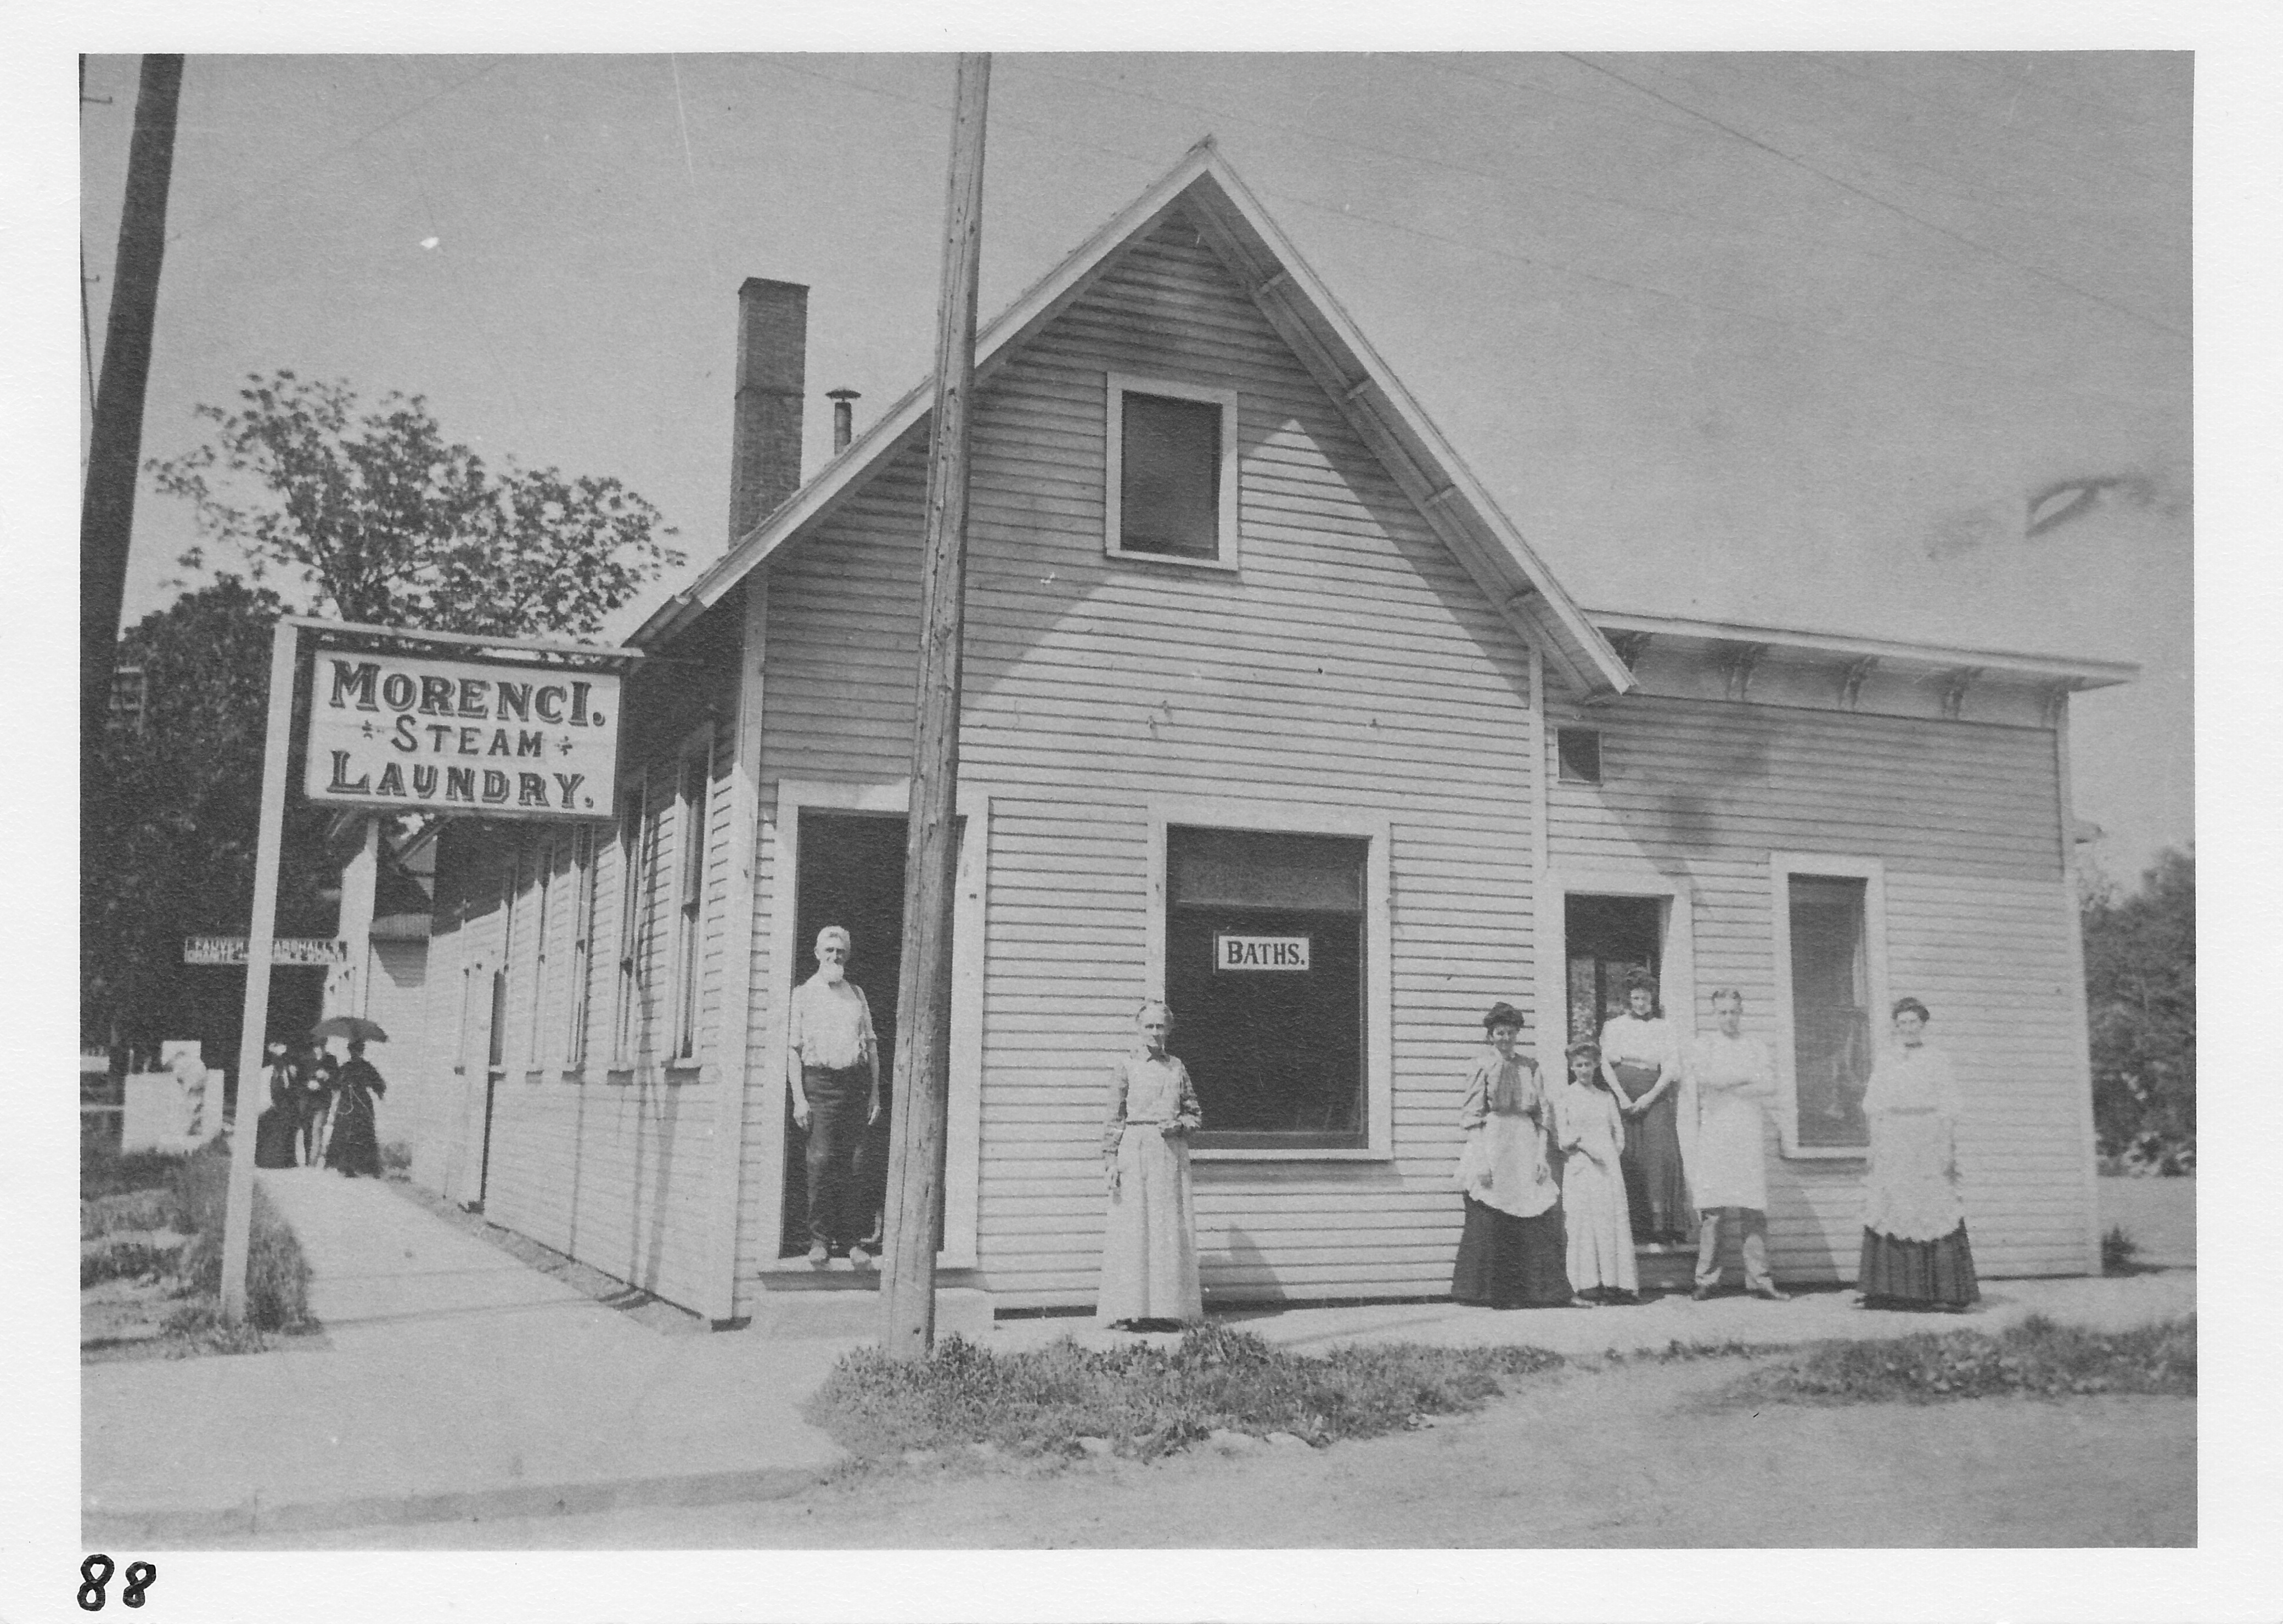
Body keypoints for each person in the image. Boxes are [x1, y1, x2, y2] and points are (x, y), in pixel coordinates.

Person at [1452, 1003, 1584, 1309]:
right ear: (1490, 1035)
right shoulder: (1482, 1066)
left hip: (1524, 1144)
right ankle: (1495, 1294)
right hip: (1493, 1142)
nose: (1505, 1038)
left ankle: (1538, 1293)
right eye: (1500, 1033)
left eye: (1511, 1033)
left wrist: (1541, 1157)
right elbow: (1472, 1116)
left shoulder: (1531, 1067)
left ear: (1517, 1035)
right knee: (1494, 1213)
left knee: (1532, 1212)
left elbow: (1541, 1117)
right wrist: (1482, 1160)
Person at [1857, 997, 1980, 1311]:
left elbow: (1950, 1108)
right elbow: (1875, 1106)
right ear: (1896, 1027)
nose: (1908, 1029)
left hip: (1928, 1138)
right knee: (1893, 1204)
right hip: (1895, 1139)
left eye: (1914, 1023)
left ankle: (1945, 1293)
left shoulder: (1938, 1059)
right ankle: (1888, 1291)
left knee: (1932, 1205)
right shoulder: (1886, 1060)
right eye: (1902, 1024)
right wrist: (1875, 1147)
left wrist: (1948, 1149)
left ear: (1923, 1025)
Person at [1096, 1000, 1204, 1329]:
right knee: (1134, 1228)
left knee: (1167, 1228)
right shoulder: (1126, 1066)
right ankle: (1130, 1310)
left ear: (1169, 1030)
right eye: (1149, 1026)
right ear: (1138, 1028)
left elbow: (1195, 1115)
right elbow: (1115, 1119)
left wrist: (1180, 1126)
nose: (1155, 1033)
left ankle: (1168, 1310)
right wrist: (1111, 1160)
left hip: (1169, 1152)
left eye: (1161, 1027)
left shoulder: (1177, 1067)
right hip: (1134, 1149)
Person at [1682, 989, 1789, 1301]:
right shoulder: (1705, 1045)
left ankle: (1760, 1280)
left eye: (1734, 1012)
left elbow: (1769, 1084)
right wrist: (1745, 1079)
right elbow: (1706, 1079)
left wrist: (1729, 1081)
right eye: (1723, 1013)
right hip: (1716, 1133)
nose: (1729, 1018)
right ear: (1714, 1014)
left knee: (1752, 1208)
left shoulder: (1754, 1046)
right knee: (1713, 1209)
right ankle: (1707, 1279)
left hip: (1747, 1132)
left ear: (1742, 1013)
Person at [787, 925, 881, 1267]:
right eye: (828, 950)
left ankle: (854, 1241)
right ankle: (819, 1240)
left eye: (840, 951)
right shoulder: (804, 993)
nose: (834, 956)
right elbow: (793, 1050)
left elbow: (871, 1047)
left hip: (854, 1085)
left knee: (856, 1163)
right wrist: (799, 1097)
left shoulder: (856, 993)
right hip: (819, 1085)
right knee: (822, 1161)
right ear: (816, 954)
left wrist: (874, 1095)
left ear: (848, 954)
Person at [1600, 970, 1691, 1243]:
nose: (1641, 1003)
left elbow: (1672, 1068)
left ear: (1653, 998)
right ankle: (1633, 1227)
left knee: (1660, 1154)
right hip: (1622, 1093)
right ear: (1628, 999)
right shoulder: (1614, 1026)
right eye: (1636, 998)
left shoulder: (1664, 1028)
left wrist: (1649, 1097)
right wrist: (1622, 1098)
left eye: (1645, 998)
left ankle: (1662, 1227)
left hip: (1655, 1093)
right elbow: (1605, 1064)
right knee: (1627, 1154)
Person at [1556, 1039, 1637, 1302]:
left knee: (1608, 1222)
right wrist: (1586, 1149)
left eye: (1588, 1064)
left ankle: (1614, 1284)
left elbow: (1619, 1135)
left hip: (1607, 1168)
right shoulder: (1565, 1097)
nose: (1584, 1070)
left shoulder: (1606, 1098)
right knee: (1584, 1224)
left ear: (1596, 1066)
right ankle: (1587, 1284)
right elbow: (1563, 1139)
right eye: (1578, 1065)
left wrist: (1610, 1155)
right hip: (1581, 1166)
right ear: (1571, 1067)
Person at [324, 1039, 387, 1177]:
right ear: (350, 1051)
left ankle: (366, 1167)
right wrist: (338, 1081)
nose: (355, 1054)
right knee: (345, 1133)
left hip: (361, 1104)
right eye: (353, 1051)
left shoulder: (367, 1067)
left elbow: (379, 1084)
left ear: (362, 1052)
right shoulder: (346, 1068)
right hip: (347, 1104)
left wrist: (378, 1091)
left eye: (358, 1051)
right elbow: (335, 1084)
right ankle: (346, 1166)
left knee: (363, 1133)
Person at [253, 1042, 301, 1169]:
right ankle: (268, 1160)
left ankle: (282, 1160)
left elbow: (292, 1088)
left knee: (283, 1131)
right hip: (273, 1103)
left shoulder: (288, 1071)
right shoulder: (268, 1072)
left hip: (284, 1104)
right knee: (271, 1132)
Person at [291, 1039, 334, 1167]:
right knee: (307, 1131)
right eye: (318, 1046)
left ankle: (312, 1164)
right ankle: (305, 1161)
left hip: (322, 1102)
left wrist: (327, 1077)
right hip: (307, 1102)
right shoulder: (304, 1060)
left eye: (323, 1046)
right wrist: (308, 1085)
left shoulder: (331, 1060)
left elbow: (337, 1081)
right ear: (313, 1047)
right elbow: (297, 1082)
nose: (321, 1049)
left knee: (317, 1129)